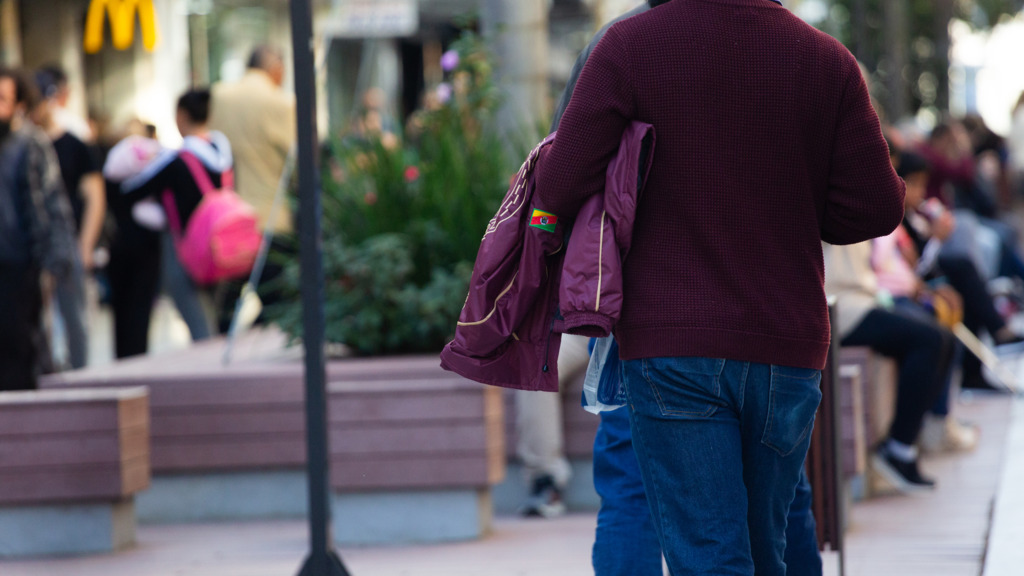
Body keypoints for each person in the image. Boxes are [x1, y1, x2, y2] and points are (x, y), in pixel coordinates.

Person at [534, 0, 905, 573]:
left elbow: (557, 183)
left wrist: (551, 234)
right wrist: (800, 210)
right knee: (766, 549)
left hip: (670, 346)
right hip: (786, 344)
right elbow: (878, 207)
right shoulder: (825, 59)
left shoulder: (629, 46)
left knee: (709, 555)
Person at [117, 89, 233, 341]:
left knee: (200, 325)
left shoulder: (176, 160)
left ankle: (211, 373)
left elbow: (129, 191)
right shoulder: (222, 151)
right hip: (221, 247)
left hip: (187, 250)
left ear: (180, 115)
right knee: (213, 317)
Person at [0, 67, 76, 389]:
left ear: (19, 104)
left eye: (2, 99)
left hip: (18, 265)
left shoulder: (31, 145)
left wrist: (53, 263)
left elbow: (52, 205)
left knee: (19, 347)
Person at [210, 46, 296, 331]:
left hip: (228, 217)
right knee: (277, 304)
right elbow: (300, 160)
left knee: (226, 307)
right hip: (272, 216)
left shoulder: (219, 97)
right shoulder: (281, 103)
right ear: (275, 67)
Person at [32, 69, 105, 370]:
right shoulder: (25, 147)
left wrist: (85, 244)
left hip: (70, 239)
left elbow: (95, 196)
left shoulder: (74, 143)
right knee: (36, 316)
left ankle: (79, 372)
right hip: (37, 243)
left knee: (75, 317)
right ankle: (47, 369)